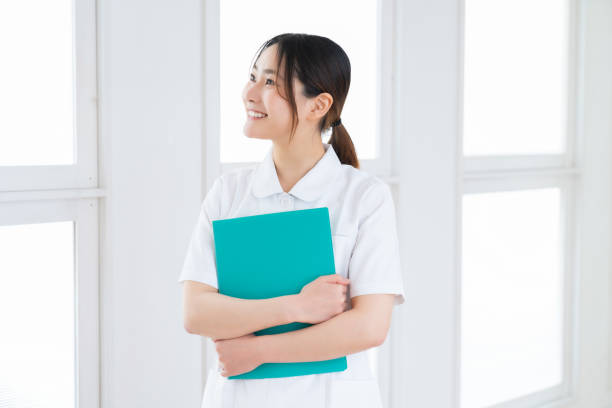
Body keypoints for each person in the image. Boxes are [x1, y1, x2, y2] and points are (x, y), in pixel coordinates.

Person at [178, 33, 406, 408]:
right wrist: (296, 307)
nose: (249, 93)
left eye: (270, 82)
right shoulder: (228, 193)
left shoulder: (365, 197)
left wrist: (259, 351)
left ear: (318, 105)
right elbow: (196, 312)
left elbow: (368, 326)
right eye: (253, 77)